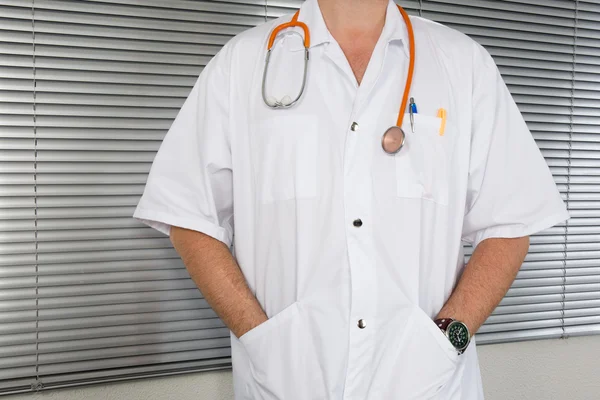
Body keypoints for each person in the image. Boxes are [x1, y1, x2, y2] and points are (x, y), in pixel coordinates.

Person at [133, 0, 570, 398]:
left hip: (429, 385)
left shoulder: (462, 64)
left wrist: (447, 338)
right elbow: (188, 212)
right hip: (288, 385)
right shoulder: (243, 63)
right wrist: (261, 340)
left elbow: (510, 223)